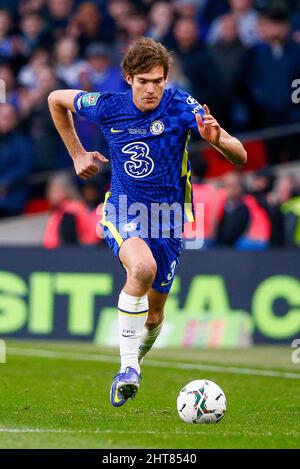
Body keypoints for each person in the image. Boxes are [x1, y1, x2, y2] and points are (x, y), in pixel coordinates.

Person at [48, 37, 247, 407]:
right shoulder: (108, 105)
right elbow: (56, 99)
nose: (151, 89)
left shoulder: (183, 106)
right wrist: (77, 154)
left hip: (169, 221)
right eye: (143, 81)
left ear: (166, 79)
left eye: (158, 81)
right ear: (128, 78)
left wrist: (217, 140)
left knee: (154, 316)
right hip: (124, 211)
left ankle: (132, 361)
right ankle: (128, 369)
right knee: (141, 268)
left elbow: (241, 155)